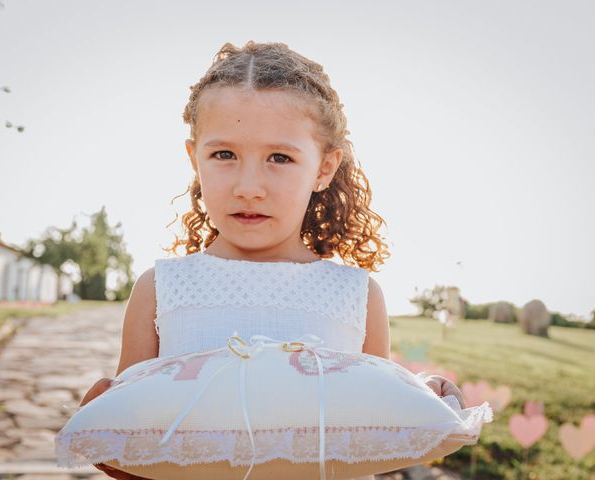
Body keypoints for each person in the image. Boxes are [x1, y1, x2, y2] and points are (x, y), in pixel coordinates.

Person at [79, 40, 466, 480]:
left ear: (324, 168)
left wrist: (422, 398)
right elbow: (135, 454)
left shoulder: (356, 296)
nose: (249, 185)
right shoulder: (160, 289)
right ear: (195, 159)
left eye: (279, 158)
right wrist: (104, 432)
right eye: (224, 154)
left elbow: (364, 438)